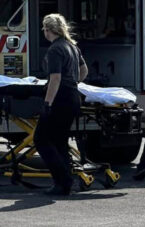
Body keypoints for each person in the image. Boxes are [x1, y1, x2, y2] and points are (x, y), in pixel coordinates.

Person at [35, 13, 88, 196]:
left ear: (48, 30)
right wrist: (74, 82)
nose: (44, 31)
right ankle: (64, 183)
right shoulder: (72, 47)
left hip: (60, 99)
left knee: (41, 139)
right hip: (72, 97)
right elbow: (84, 70)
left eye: (44, 28)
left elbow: (55, 78)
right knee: (59, 142)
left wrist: (47, 104)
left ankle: (63, 180)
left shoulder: (55, 49)